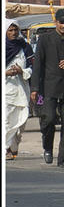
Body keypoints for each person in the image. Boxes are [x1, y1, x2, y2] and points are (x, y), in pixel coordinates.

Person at [30, 8, 64, 168]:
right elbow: (38, 65)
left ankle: (62, 159)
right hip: (49, 88)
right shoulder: (45, 40)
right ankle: (47, 147)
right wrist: (34, 88)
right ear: (56, 22)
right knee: (49, 119)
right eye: (61, 22)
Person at [5, 19, 32, 160]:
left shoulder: (25, 47)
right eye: (10, 30)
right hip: (6, 92)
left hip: (22, 90)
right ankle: (6, 149)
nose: (14, 33)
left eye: (16, 30)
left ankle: (13, 147)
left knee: (20, 124)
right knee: (7, 122)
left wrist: (22, 71)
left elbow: (33, 68)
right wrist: (5, 73)